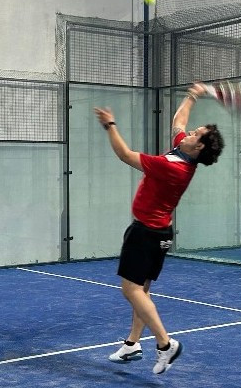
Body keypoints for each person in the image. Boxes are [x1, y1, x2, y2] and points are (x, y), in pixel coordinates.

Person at [93, 83, 225, 374]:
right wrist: (192, 96)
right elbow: (178, 121)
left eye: (196, 134)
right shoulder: (183, 152)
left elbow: (125, 155)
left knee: (130, 290)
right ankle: (132, 344)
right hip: (160, 234)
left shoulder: (173, 167)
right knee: (142, 290)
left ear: (199, 147)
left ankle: (165, 345)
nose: (189, 132)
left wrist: (110, 125)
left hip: (146, 234)